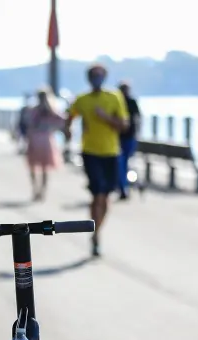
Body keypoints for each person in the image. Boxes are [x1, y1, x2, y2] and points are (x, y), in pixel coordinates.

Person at [64, 64, 129, 257]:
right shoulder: (82, 99)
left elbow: (124, 125)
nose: (97, 78)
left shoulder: (114, 97)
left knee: (106, 197)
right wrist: (68, 131)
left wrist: (105, 117)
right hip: (90, 152)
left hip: (111, 152)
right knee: (97, 195)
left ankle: (96, 231)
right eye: (93, 75)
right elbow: (69, 116)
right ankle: (95, 233)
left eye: (100, 75)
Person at [24, 88, 65, 201]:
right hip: (45, 139)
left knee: (36, 166)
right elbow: (62, 121)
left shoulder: (36, 110)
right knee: (43, 167)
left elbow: (28, 123)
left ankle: (37, 189)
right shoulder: (49, 110)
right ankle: (41, 190)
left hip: (37, 139)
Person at [117, 82, 141, 200]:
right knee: (123, 163)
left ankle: (123, 186)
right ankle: (123, 186)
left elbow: (137, 118)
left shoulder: (130, 102)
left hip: (127, 137)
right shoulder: (119, 102)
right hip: (122, 138)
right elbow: (138, 118)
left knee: (122, 163)